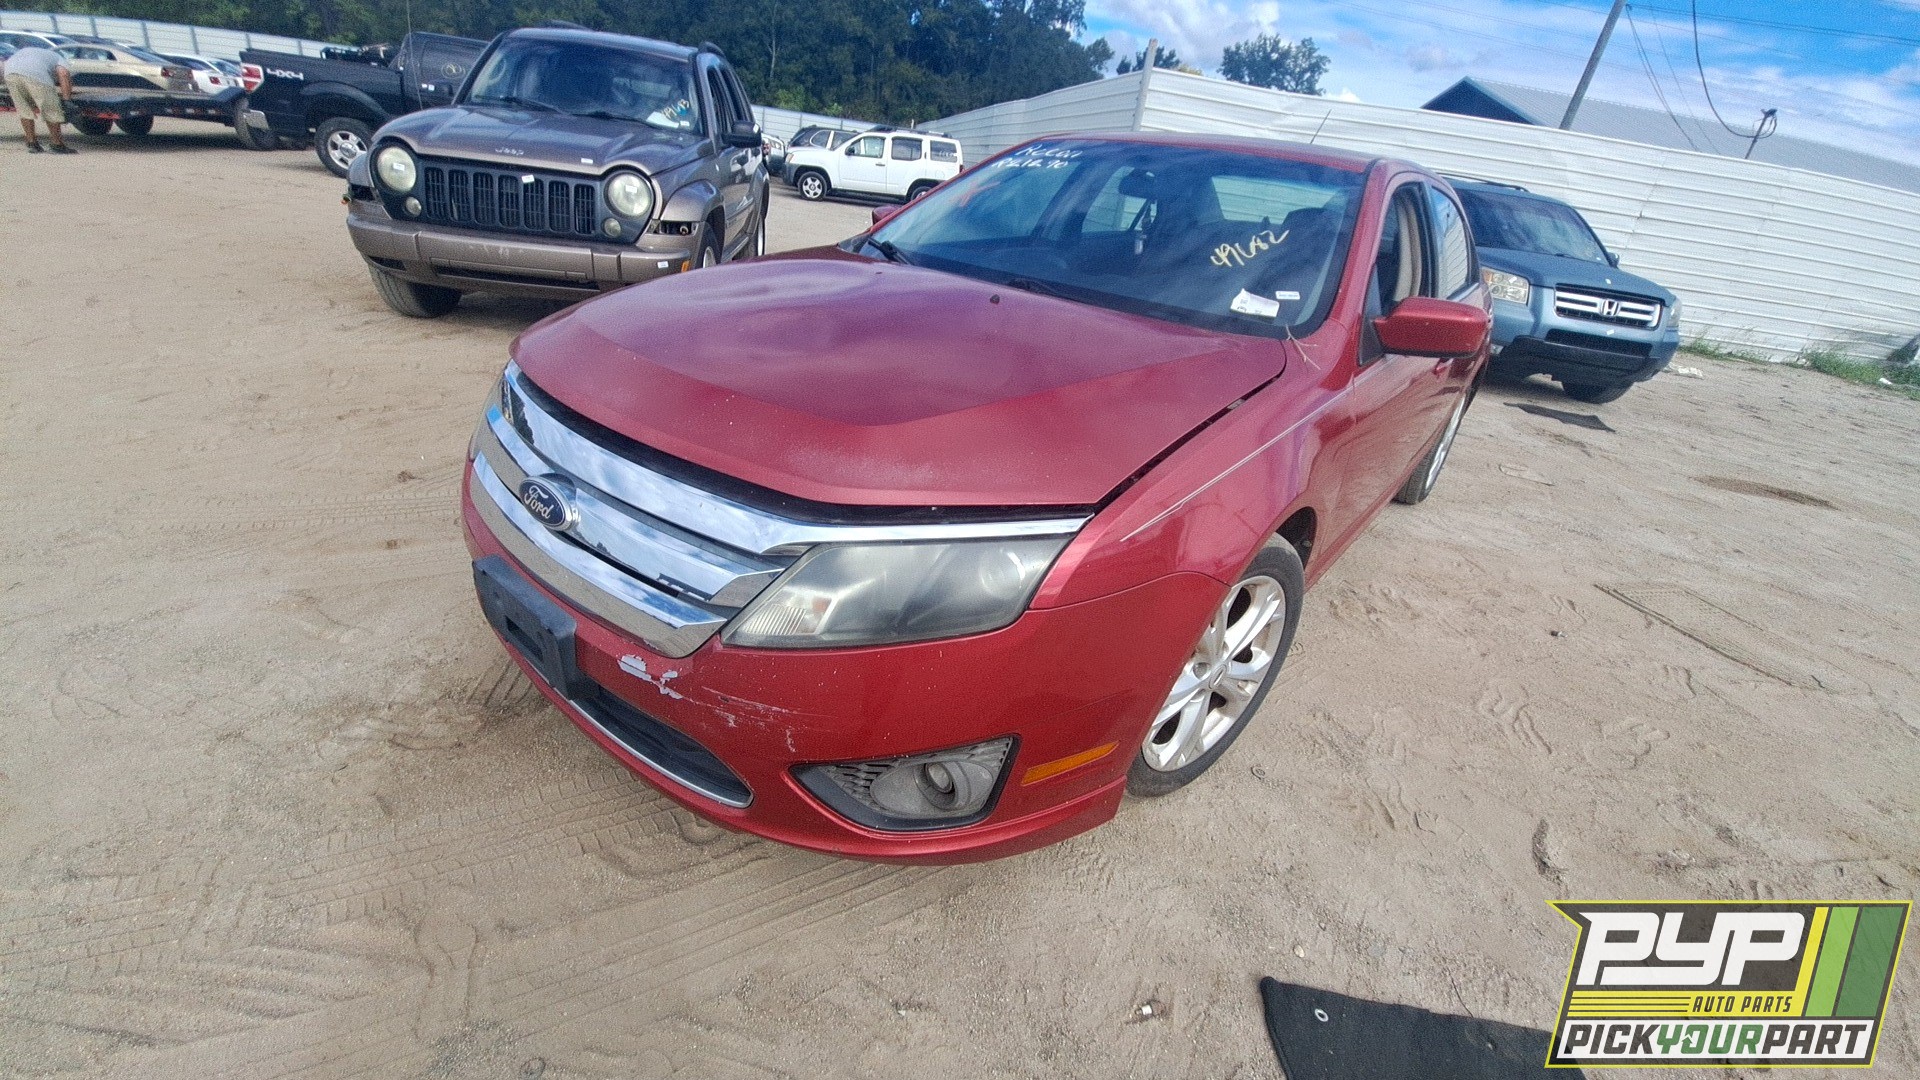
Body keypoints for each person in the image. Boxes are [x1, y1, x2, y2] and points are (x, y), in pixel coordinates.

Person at [4, 45, 76, 154]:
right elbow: (64, 74)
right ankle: (57, 145)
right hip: (35, 73)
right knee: (51, 110)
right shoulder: (60, 59)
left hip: (10, 72)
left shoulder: (38, 53)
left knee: (24, 109)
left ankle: (32, 144)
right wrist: (67, 100)